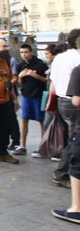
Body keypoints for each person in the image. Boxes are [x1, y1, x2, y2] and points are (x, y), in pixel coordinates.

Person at [50, 29, 80, 188]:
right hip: (74, 101)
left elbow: (52, 81)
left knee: (73, 137)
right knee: (75, 139)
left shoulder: (60, 57)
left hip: (61, 100)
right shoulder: (77, 58)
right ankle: (61, 173)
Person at [11, 43, 48, 156]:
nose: (24, 55)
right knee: (24, 120)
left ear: (31, 52)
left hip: (39, 96)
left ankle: (43, 146)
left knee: (42, 121)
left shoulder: (40, 64)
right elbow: (20, 83)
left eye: (26, 52)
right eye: (22, 52)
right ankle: (22, 146)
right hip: (26, 96)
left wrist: (34, 75)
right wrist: (20, 77)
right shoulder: (20, 65)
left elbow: (46, 80)